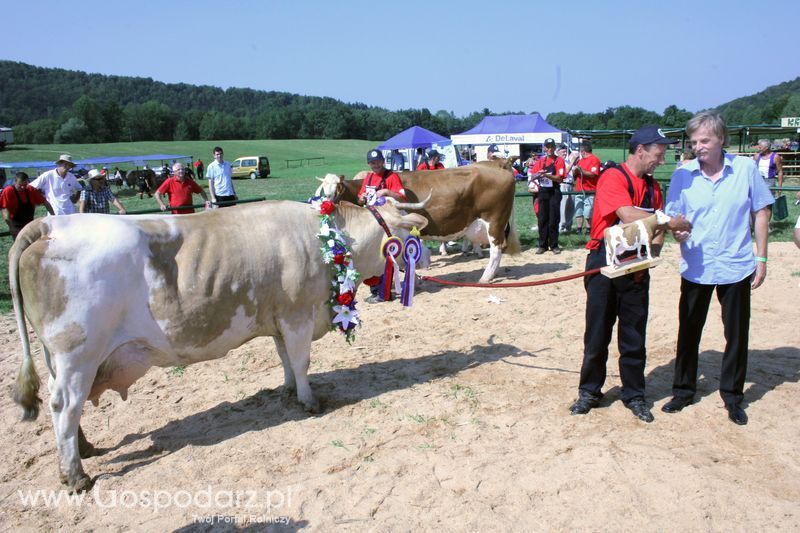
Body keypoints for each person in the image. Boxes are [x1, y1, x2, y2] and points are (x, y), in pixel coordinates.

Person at [569, 125, 692, 423]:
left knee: (634, 334)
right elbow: (626, 214)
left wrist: (656, 249)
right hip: (604, 262)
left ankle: (634, 394)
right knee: (597, 333)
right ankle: (589, 392)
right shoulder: (613, 176)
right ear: (640, 150)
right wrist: (668, 221)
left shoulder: (653, 188)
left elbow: (657, 230)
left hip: (636, 265)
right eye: (658, 154)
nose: (661, 160)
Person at [662, 111, 774, 426]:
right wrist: (677, 232)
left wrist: (761, 258)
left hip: (735, 264)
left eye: (704, 140)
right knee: (689, 330)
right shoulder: (683, 175)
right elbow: (674, 218)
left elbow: (761, 212)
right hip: (696, 266)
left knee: (736, 333)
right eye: (694, 141)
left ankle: (733, 396)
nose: (698, 146)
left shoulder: (745, 169)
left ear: (721, 139)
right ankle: (683, 390)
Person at [358, 149, 406, 304]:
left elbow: (402, 197)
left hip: (387, 224)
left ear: (383, 161)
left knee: (385, 255)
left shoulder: (392, 176)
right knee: (372, 256)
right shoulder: (369, 178)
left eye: (378, 162)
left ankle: (383, 292)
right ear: (369, 164)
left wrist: (387, 192)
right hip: (371, 222)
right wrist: (362, 198)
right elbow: (360, 199)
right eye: (373, 163)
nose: (376, 165)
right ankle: (375, 290)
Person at [529, 138, 566, 254]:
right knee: (542, 219)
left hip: (554, 191)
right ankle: (542, 245)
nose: (550, 149)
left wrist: (547, 175)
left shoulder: (559, 161)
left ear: (554, 148)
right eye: (548, 147)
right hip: (543, 192)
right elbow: (532, 176)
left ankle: (554, 245)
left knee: (553, 219)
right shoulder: (541, 161)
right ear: (545, 148)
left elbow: (559, 179)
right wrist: (538, 175)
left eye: (552, 147)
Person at [0, 171, 54, 239]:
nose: (23, 187)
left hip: (30, 224)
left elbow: (45, 203)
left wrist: (53, 216)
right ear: (15, 182)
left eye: (25, 185)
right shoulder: (8, 191)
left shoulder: (30, 189)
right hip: (16, 225)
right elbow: (5, 210)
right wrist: (11, 227)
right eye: (20, 185)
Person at [572, 142, 602, 235]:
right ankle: (579, 229)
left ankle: (589, 229)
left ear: (583, 151)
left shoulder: (595, 160)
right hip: (579, 189)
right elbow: (576, 174)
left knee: (588, 211)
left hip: (590, 190)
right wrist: (575, 172)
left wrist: (580, 170)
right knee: (578, 210)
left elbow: (593, 174)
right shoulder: (581, 161)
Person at [558, 145, 576, 234]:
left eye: (565, 151)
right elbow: (565, 173)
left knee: (571, 206)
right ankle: (561, 227)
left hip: (571, 184)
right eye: (563, 152)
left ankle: (568, 227)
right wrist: (573, 161)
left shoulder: (567, 161)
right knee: (563, 206)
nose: (565, 153)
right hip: (563, 184)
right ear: (558, 152)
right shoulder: (558, 161)